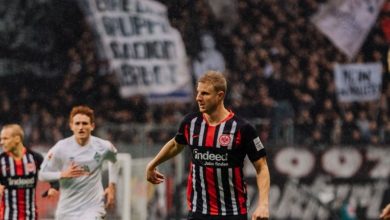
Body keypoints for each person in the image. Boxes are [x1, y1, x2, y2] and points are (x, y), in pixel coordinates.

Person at [146, 71, 270, 220]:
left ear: (220, 95)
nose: (198, 98)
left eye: (205, 93)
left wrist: (263, 204)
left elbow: (261, 167)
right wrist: (152, 164)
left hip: (232, 213)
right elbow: (175, 144)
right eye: (198, 92)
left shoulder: (242, 128)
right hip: (199, 211)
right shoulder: (190, 122)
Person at [39, 105, 118, 220]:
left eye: (85, 123)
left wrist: (112, 186)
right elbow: (42, 174)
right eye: (77, 123)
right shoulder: (61, 147)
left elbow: (114, 159)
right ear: (71, 126)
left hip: (93, 207)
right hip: (67, 209)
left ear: (92, 126)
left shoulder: (103, 146)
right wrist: (62, 174)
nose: (81, 127)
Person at [0, 124, 49, 219]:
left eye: (5, 139)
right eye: (1, 139)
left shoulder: (35, 158)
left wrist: (54, 187)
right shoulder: (1, 160)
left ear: (17, 139)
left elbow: (50, 174)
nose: (1, 142)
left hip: (30, 216)